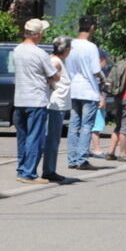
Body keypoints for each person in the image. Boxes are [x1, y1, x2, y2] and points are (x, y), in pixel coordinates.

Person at [12, 18, 58, 184]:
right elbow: (53, 75)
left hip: (19, 99)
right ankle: (29, 172)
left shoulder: (17, 50)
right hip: (36, 99)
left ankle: (21, 168)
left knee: (22, 137)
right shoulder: (40, 53)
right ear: (38, 34)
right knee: (35, 137)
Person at [65, 16, 104, 171]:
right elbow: (95, 71)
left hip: (74, 88)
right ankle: (82, 159)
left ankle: (72, 158)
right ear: (92, 27)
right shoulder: (91, 47)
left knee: (74, 124)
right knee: (87, 125)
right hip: (88, 89)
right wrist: (103, 78)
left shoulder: (71, 45)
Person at [43, 36, 72, 182]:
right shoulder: (55, 61)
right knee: (52, 139)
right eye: (69, 48)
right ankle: (49, 170)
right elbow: (48, 80)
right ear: (66, 49)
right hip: (55, 105)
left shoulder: (58, 60)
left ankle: (50, 169)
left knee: (54, 138)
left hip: (58, 104)